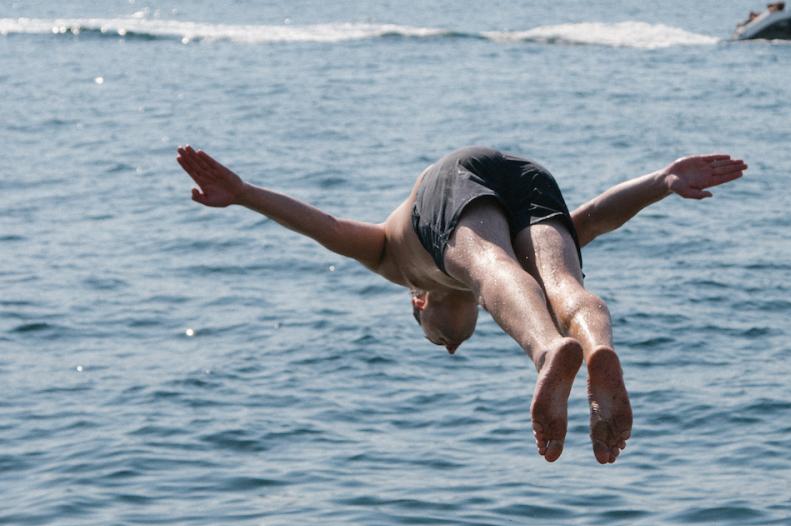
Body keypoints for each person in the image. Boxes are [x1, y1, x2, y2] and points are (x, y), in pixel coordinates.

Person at [176, 145, 747, 464]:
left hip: (453, 177)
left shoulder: (390, 259)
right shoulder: (475, 282)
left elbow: (320, 226)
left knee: (485, 268)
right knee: (559, 281)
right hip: (527, 174)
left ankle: (549, 349)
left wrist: (246, 194)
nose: (451, 342)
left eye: (440, 339)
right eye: (458, 341)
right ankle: (597, 350)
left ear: (417, 304)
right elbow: (597, 215)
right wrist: (661, 180)